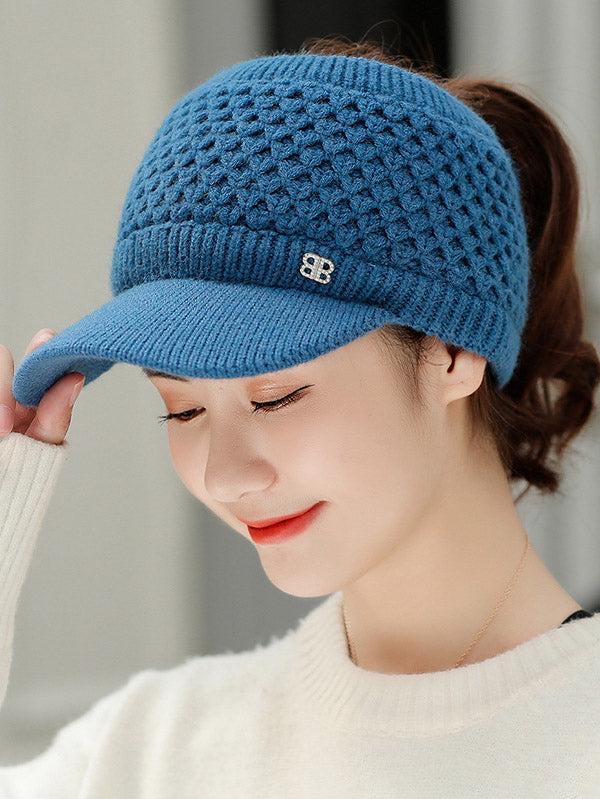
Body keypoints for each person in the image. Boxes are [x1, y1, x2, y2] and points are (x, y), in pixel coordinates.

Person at [1, 35, 599, 796]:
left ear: (452, 349)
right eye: (181, 409)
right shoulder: (146, 750)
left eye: (276, 396)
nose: (225, 476)